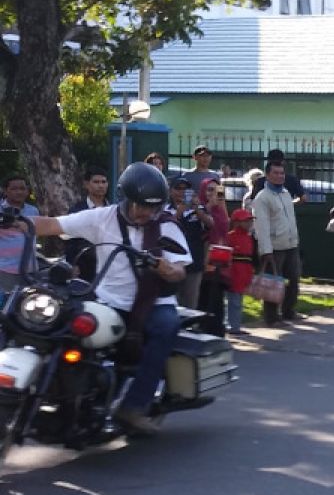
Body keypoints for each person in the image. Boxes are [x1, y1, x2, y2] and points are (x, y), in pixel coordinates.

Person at [28, 163, 191, 436]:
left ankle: (135, 406)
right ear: (126, 198)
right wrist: (17, 223)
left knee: (166, 327)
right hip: (107, 300)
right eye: (141, 206)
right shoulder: (101, 218)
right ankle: (60, 397)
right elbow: (52, 224)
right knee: (63, 327)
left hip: (152, 304)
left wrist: (166, 268)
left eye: (153, 207)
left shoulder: (166, 226)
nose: (147, 213)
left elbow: (180, 270)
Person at [252, 161, 301, 326]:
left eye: (282, 173)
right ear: (267, 175)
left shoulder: (286, 193)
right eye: (276, 173)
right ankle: (271, 317)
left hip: (291, 244)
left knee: (293, 279)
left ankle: (289, 311)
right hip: (274, 247)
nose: (280, 176)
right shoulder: (262, 198)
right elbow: (261, 226)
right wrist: (266, 250)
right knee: (272, 282)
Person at [166, 176, 212, 310]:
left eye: (185, 189)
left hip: (194, 260)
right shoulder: (165, 209)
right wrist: (182, 208)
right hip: (173, 261)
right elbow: (169, 223)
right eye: (178, 188)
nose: (181, 192)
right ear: (170, 191)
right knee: (173, 299)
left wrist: (196, 209)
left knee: (191, 301)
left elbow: (210, 224)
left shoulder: (198, 209)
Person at [197, 178, 230, 336]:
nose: (213, 193)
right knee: (205, 296)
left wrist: (221, 203)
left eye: (216, 190)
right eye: (209, 190)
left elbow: (225, 227)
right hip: (204, 258)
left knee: (217, 298)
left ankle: (217, 331)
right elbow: (202, 225)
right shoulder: (200, 208)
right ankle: (204, 330)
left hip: (220, 259)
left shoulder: (221, 209)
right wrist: (210, 203)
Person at [65, 166, 109, 279]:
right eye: (96, 182)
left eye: (103, 182)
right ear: (86, 184)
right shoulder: (77, 210)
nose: (100, 185)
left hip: (108, 267)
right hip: (83, 269)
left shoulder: (113, 210)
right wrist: (72, 264)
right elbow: (70, 241)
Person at [0, 174, 40, 292]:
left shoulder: (33, 210)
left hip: (31, 270)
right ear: (5, 191)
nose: (19, 192)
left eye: (22, 189)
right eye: (14, 189)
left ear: (27, 191)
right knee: (6, 306)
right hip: (5, 270)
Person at [225, 208, 256, 335]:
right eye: (246, 221)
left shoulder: (249, 238)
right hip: (234, 273)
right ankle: (233, 326)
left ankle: (234, 324)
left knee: (238, 301)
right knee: (234, 301)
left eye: (250, 220)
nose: (249, 223)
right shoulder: (230, 237)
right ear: (237, 222)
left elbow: (249, 258)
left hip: (244, 273)